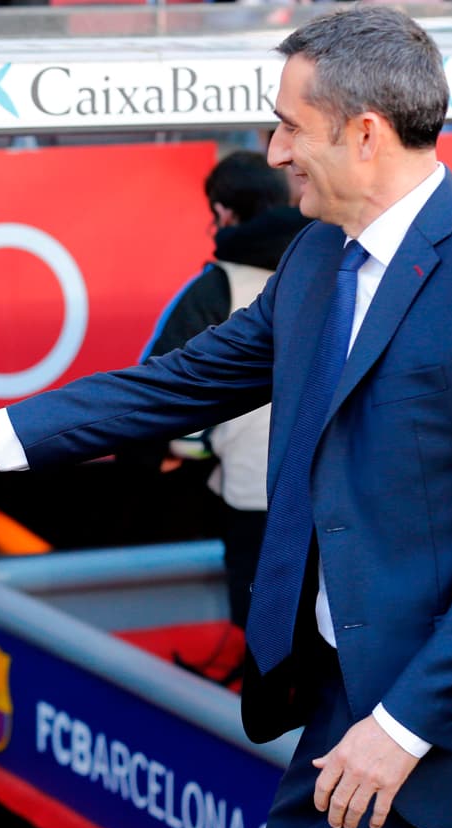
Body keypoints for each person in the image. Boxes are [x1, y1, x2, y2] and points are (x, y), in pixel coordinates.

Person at [0, 6, 452, 828]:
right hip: (340, 695)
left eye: (291, 126)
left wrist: (405, 726)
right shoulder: (315, 258)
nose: (274, 152)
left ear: (365, 133)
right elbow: (177, 383)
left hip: (449, 725)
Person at [137, 150, 308, 629]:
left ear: (221, 213)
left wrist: (162, 451)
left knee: (263, 637)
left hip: (255, 491)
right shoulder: (333, 263)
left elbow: (162, 388)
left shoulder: (218, 287)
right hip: (336, 492)